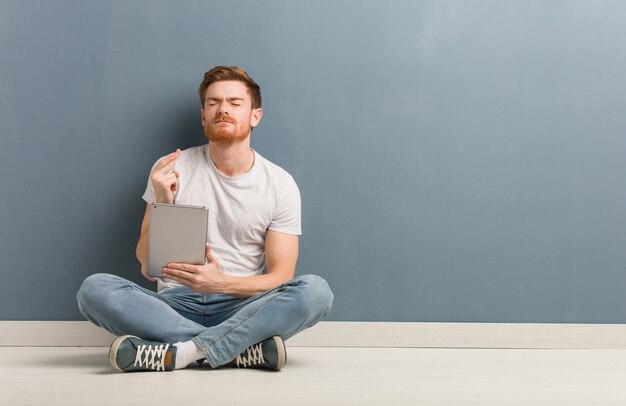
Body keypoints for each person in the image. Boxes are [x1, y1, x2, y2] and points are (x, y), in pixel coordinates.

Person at [76, 66, 333, 372]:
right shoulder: (171, 167)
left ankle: (183, 352)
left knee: (316, 292)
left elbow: (280, 277)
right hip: (174, 305)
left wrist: (222, 282)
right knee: (94, 290)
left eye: (235, 103)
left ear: (255, 116)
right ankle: (237, 351)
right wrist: (163, 199)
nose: (223, 109)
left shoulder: (280, 184)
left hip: (242, 306)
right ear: (203, 116)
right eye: (213, 103)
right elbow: (146, 266)